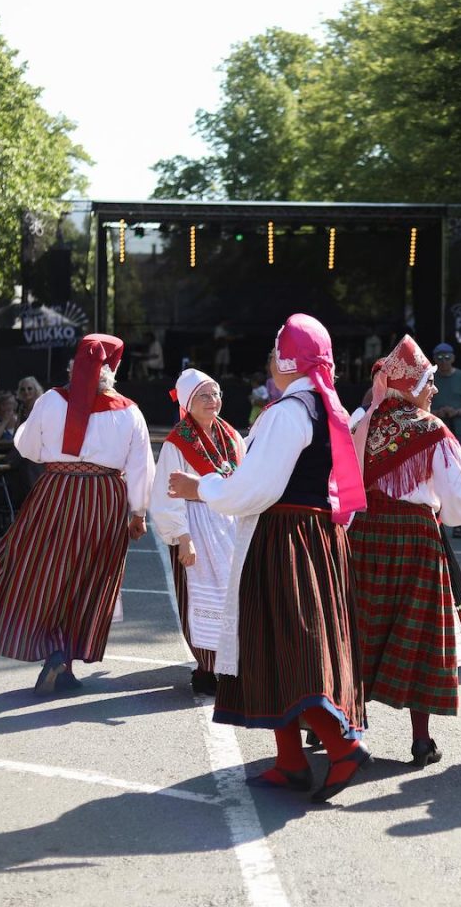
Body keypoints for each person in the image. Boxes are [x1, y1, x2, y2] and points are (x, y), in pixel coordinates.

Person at [167, 313, 370, 804]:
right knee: (273, 644)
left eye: (275, 354)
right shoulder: (324, 409)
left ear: (287, 361)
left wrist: (202, 487)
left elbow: (257, 488)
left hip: (284, 537)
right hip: (312, 536)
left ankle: (343, 745)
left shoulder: (288, 413)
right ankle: (290, 760)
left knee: (286, 644)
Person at [0, 334, 153, 695]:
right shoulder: (130, 410)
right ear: (111, 370)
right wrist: (138, 512)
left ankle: (56, 653)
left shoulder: (50, 400)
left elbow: (27, 447)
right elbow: (142, 466)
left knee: (44, 571)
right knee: (89, 577)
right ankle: (64, 657)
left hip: (56, 491)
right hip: (103, 498)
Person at [348, 335, 461, 766]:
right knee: (420, 634)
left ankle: (345, 728)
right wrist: (445, 508)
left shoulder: (362, 424)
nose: (434, 390)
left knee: (359, 628)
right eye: (429, 382)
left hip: (363, 537)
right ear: (410, 385)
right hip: (414, 539)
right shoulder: (431, 429)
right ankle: (421, 740)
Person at [150, 368, 244, 695]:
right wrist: (183, 538)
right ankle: (207, 668)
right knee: (200, 599)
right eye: (204, 395)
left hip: (228, 526)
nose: (213, 400)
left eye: (216, 394)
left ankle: (230, 668)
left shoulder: (231, 436)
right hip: (196, 526)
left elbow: (243, 482)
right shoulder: (179, 441)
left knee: (232, 597)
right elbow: (167, 493)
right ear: (189, 402)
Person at [428, 344, 461, 438]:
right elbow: (419, 407)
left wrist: (456, 412)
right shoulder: (428, 378)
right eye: (439, 358)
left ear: (453, 358)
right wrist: (435, 413)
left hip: (459, 429)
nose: (444, 361)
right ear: (434, 359)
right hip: (434, 430)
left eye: (447, 358)